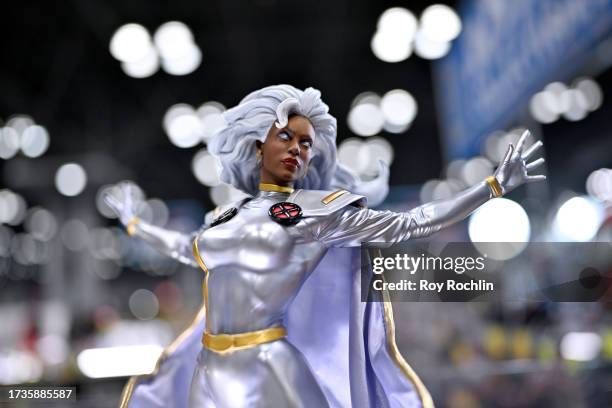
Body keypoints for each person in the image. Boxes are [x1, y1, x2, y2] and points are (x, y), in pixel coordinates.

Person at [105, 85, 545, 408]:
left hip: (272, 363)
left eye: (306, 143)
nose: (298, 149)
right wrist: (134, 224)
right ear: (258, 142)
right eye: (287, 137)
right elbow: (184, 247)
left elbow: (406, 224)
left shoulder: (316, 213)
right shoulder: (225, 218)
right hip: (210, 367)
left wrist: (490, 187)